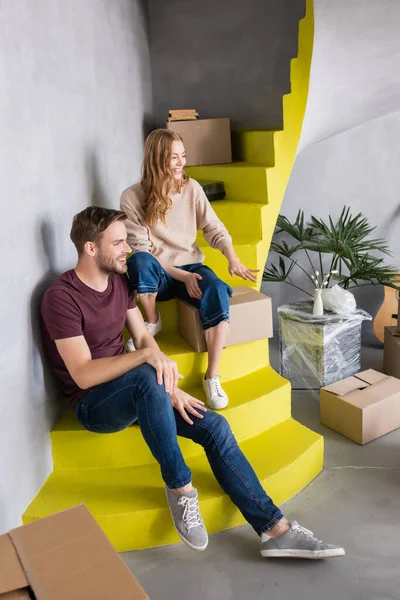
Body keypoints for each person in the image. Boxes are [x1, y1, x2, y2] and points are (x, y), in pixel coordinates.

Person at [40, 206, 345, 560]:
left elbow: (142, 337)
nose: (128, 249)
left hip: (139, 388)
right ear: (91, 248)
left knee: (215, 425)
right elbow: (83, 373)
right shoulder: (61, 297)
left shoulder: (118, 283)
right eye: (119, 242)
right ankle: (180, 487)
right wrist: (149, 366)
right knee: (144, 376)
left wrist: (169, 384)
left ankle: (275, 529)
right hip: (93, 403)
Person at [120, 128, 258, 410]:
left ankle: (212, 376)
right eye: (173, 157)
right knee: (138, 262)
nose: (181, 162)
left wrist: (232, 257)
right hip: (160, 273)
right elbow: (142, 249)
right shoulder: (132, 197)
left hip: (192, 265)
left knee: (217, 290)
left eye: (183, 155)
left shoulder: (192, 189)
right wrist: (182, 276)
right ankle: (152, 319)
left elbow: (213, 227)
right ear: (156, 159)